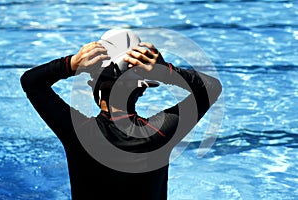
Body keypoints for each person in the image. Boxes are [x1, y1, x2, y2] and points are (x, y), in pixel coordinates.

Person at [20, 29, 222, 200]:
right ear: (142, 89)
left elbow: (31, 82)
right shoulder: (159, 134)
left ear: (93, 85)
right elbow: (211, 88)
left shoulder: (79, 133)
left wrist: (70, 64)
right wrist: (165, 71)